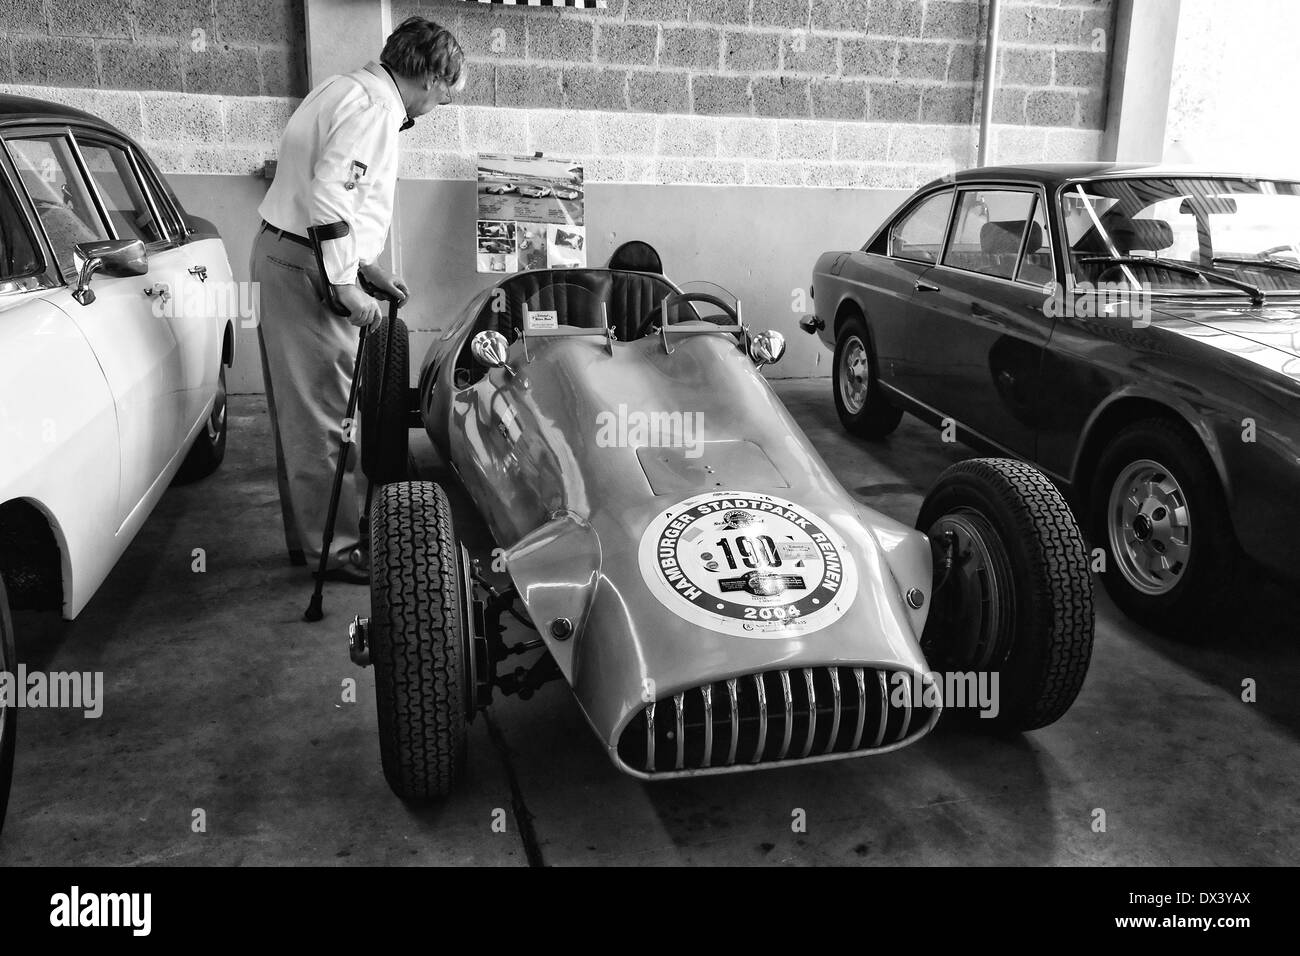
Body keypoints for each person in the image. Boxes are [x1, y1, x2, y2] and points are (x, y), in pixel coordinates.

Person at [251, 17, 465, 583]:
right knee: (326, 422)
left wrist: (366, 265)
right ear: (431, 78)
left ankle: (313, 539)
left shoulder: (341, 88)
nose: (440, 107)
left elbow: (329, 191)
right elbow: (329, 194)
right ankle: (340, 550)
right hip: (308, 268)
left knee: (300, 417)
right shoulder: (376, 109)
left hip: (284, 253)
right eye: (446, 95)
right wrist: (346, 284)